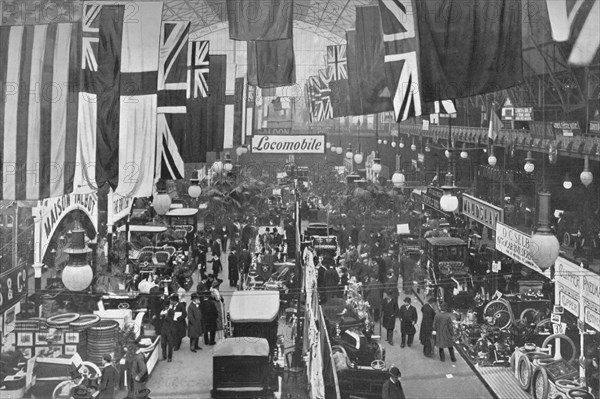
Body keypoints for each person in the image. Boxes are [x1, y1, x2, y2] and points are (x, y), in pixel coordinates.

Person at [160, 294, 179, 362]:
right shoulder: (162, 311)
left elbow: (171, 320)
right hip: (163, 329)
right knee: (163, 343)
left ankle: (169, 357)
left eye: (166, 306)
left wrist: (166, 315)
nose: (165, 307)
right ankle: (164, 356)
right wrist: (161, 315)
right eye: (164, 306)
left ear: (168, 306)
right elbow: (160, 321)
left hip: (170, 329)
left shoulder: (171, 311)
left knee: (170, 344)